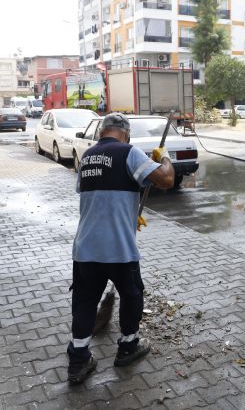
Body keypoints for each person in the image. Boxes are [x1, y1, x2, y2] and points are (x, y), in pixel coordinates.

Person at [66, 112, 175, 384]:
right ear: (126, 133)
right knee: (132, 294)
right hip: (118, 249)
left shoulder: (87, 157)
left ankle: (78, 361)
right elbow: (166, 180)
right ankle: (128, 347)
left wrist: (127, 215)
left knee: (84, 302)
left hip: (85, 248)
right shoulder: (129, 152)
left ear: (103, 131)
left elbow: (97, 198)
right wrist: (163, 157)